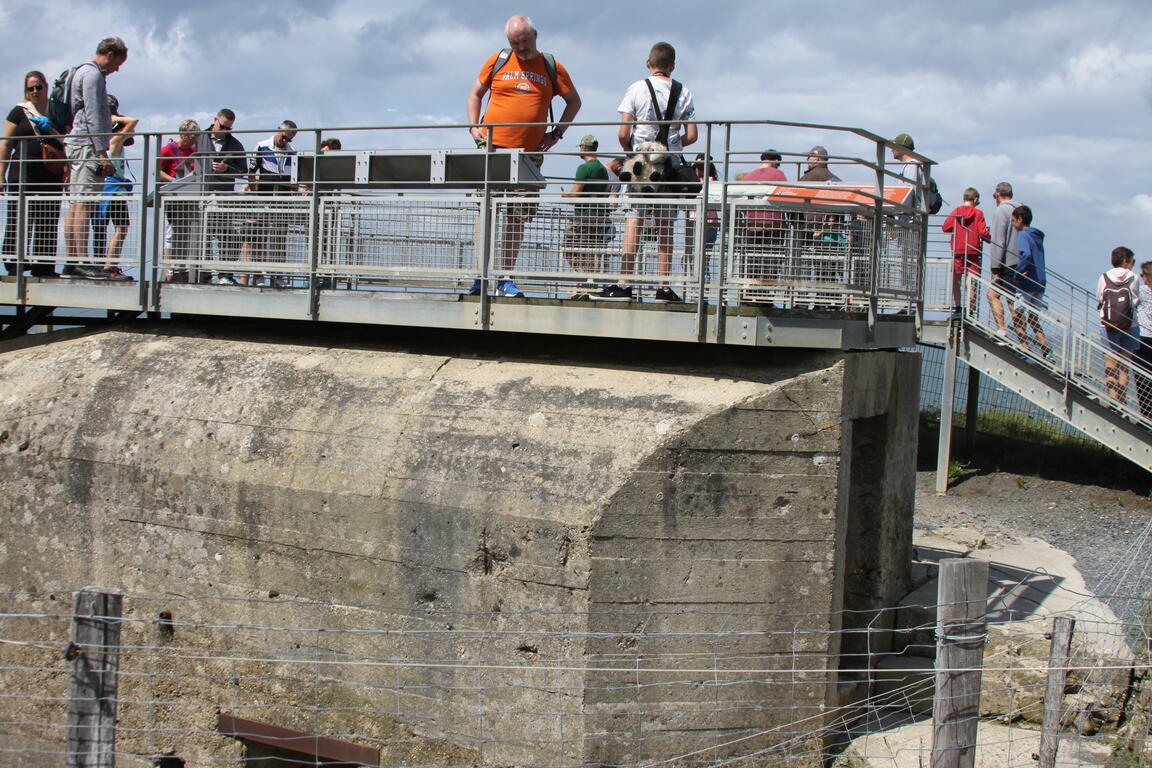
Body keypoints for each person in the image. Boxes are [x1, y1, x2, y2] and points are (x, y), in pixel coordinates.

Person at [466, 14, 581, 298]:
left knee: (517, 216)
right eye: (515, 43)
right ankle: (481, 276)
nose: (520, 47)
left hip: (528, 156)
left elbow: (574, 102)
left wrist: (556, 134)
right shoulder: (498, 60)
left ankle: (505, 277)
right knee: (486, 213)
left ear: (535, 36)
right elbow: (475, 94)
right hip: (492, 150)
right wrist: (473, 127)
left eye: (525, 41)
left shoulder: (552, 66)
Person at [604, 41, 697, 302]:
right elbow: (692, 135)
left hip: (640, 165)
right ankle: (664, 287)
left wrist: (631, 149)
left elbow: (624, 132)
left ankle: (624, 284)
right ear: (673, 66)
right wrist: (673, 144)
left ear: (648, 63)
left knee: (634, 220)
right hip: (669, 165)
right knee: (666, 225)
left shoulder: (637, 88)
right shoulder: (684, 92)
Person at [63, 36, 129, 279]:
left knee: (76, 203)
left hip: (79, 144)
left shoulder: (81, 72)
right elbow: (92, 114)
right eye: (118, 62)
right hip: (87, 146)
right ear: (110, 54)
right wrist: (103, 154)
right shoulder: (93, 75)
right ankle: (81, 261)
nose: (117, 69)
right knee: (84, 203)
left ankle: (73, 261)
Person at [0, 71, 66, 277]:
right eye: (31, 88)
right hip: (22, 172)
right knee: (19, 218)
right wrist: (0, 174)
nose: (35, 91)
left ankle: (44, 267)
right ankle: (14, 264)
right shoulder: (19, 111)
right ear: (26, 91)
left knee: (48, 219)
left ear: (46, 87)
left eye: (39, 87)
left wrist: (67, 171)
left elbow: (69, 141)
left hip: (50, 172)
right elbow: (6, 144)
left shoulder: (57, 110)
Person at [242, 120, 298, 287]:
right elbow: (251, 172)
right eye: (284, 137)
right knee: (260, 236)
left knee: (281, 236)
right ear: (278, 131)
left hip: (283, 199)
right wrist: (256, 195)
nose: (286, 141)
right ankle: (258, 274)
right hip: (264, 197)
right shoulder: (262, 146)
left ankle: (278, 275)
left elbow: (296, 178)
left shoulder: (293, 152)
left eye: (290, 139)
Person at [89, 94, 138, 277]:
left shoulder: (98, 138)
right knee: (121, 226)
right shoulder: (115, 139)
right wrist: (115, 118)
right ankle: (109, 265)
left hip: (103, 187)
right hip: (113, 188)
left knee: (101, 227)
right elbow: (132, 122)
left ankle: (103, 265)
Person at [196, 108, 245, 284]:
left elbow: (243, 171)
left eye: (228, 128)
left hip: (224, 197)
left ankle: (225, 275)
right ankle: (204, 274)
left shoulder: (236, 145)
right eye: (223, 126)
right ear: (214, 120)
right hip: (201, 195)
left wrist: (228, 169)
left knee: (228, 236)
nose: (224, 131)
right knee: (202, 236)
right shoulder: (198, 138)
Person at [561, 134, 610, 278]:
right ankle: (588, 281)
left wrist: (565, 195)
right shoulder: (603, 170)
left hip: (582, 217)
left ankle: (582, 277)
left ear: (584, 148)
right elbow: (604, 194)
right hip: (599, 217)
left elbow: (575, 196)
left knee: (568, 249)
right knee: (590, 251)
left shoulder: (584, 168)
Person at [1097, 246, 1140, 405]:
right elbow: (1135, 300)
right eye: (1132, 261)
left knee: (1110, 364)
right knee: (1124, 367)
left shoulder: (1104, 277)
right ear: (1126, 261)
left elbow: (1099, 299)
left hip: (1107, 324)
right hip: (1130, 324)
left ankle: (1112, 402)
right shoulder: (1134, 277)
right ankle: (1122, 404)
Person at [1008, 205, 1051, 360]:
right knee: (1033, 318)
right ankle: (1046, 351)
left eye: (1014, 221)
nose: (1013, 224)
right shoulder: (1037, 236)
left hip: (1026, 282)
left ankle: (1023, 347)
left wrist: (1017, 272)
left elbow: (1025, 253)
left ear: (1020, 219)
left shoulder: (1023, 235)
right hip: (1039, 281)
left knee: (1018, 314)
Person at [159, 120, 200, 279]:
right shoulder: (168, 149)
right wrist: (173, 181)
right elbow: (157, 170)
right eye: (191, 137)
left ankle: (184, 266)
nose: (193, 141)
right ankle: (169, 268)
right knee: (171, 232)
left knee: (187, 231)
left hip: (188, 197)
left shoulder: (193, 151)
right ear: (183, 134)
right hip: (173, 196)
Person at [940, 187, 990, 318]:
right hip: (973, 250)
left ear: (963, 199)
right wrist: (991, 239)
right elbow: (982, 232)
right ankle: (969, 310)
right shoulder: (978, 213)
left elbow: (945, 228)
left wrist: (956, 227)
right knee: (971, 281)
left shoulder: (956, 211)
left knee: (956, 280)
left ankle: (958, 308)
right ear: (976, 199)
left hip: (958, 249)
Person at [739, 150, 787, 285]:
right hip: (774, 223)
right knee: (771, 262)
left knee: (753, 260)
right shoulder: (778, 174)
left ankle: (749, 294)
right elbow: (786, 196)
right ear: (776, 161)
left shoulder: (749, 176)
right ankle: (765, 296)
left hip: (753, 223)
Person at [987, 181, 1022, 337]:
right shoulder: (1021, 209)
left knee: (994, 295)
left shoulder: (1002, 210)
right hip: (1021, 261)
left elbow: (998, 240)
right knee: (1015, 301)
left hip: (1006, 262)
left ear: (998, 194)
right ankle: (1023, 339)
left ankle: (1002, 330)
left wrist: (995, 267)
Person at [1135, 261, 1152, 419]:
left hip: (1142, 337)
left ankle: (1146, 415)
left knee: (1141, 377)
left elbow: (1129, 306)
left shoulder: (1141, 291)